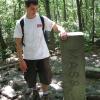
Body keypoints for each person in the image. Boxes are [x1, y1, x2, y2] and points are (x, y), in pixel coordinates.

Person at [14, 0, 67, 100]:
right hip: (28, 57)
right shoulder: (20, 23)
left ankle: (46, 94)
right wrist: (21, 61)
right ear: (26, 8)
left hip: (43, 55)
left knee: (46, 77)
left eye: (36, 8)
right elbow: (18, 44)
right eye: (32, 9)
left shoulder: (42, 19)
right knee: (30, 78)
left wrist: (62, 30)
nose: (35, 11)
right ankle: (34, 91)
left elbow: (55, 27)